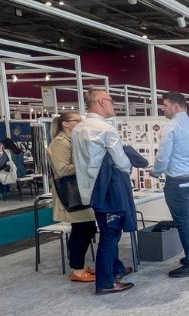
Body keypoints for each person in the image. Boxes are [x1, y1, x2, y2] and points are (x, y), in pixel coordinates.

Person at [72, 87, 135, 295]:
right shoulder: (105, 129)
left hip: (90, 191)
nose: (113, 104)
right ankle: (106, 283)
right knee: (110, 236)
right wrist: (130, 166)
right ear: (100, 102)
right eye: (111, 100)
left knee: (108, 232)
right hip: (109, 191)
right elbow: (122, 163)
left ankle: (115, 269)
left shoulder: (78, 129)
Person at [152, 92, 189, 278]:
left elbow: (163, 155)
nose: (163, 108)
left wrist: (156, 171)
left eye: (165, 105)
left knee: (183, 222)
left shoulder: (171, 127)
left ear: (175, 106)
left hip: (178, 181)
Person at [47, 111, 97, 283]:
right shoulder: (60, 143)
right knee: (84, 229)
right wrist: (85, 165)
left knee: (84, 228)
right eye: (77, 121)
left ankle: (78, 266)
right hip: (70, 193)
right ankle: (77, 269)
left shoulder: (73, 141)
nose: (81, 123)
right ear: (65, 124)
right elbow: (61, 170)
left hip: (80, 191)